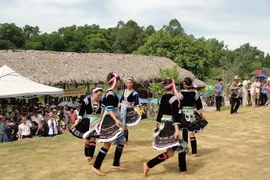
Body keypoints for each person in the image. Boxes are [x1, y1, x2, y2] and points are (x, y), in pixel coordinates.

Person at [144, 78, 187, 176]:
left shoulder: (163, 97)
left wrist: (156, 125)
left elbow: (160, 112)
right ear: (173, 86)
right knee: (181, 147)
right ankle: (183, 170)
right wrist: (176, 130)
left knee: (172, 152)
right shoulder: (174, 99)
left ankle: (148, 165)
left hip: (164, 124)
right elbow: (175, 115)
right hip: (171, 125)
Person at [92, 72, 125, 176]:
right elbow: (109, 109)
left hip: (109, 118)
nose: (119, 82)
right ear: (115, 81)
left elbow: (103, 107)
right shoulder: (110, 93)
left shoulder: (110, 92)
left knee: (122, 141)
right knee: (108, 144)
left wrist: (100, 118)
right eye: (119, 80)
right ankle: (96, 166)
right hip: (110, 119)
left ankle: (115, 163)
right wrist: (115, 120)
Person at [70, 87, 103, 162]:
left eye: (101, 95)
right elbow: (81, 112)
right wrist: (77, 121)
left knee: (93, 138)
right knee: (88, 139)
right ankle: (86, 154)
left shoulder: (101, 102)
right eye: (98, 95)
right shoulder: (86, 101)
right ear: (93, 93)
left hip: (97, 122)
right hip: (88, 121)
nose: (99, 97)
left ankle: (90, 155)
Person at [179, 77, 208, 157]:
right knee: (191, 133)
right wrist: (201, 115)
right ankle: (194, 152)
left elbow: (178, 105)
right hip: (192, 114)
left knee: (184, 132)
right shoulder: (195, 94)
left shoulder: (180, 94)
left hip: (183, 114)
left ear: (184, 84)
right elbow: (199, 107)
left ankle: (184, 150)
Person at [119, 77, 141, 143]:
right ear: (125, 83)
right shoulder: (123, 91)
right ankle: (121, 139)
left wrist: (139, 112)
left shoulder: (135, 93)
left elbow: (137, 104)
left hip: (128, 110)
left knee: (125, 126)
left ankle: (125, 140)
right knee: (121, 125)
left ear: (132, 83)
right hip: (121, 109)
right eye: (127, 83)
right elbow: (121, 100)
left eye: (130, 83)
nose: (128, 84)